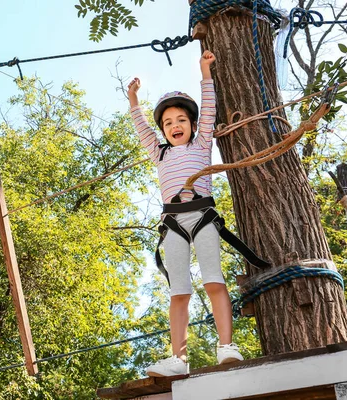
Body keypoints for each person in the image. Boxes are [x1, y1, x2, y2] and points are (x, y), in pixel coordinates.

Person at [127, 50, 244, 377]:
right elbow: (140, 128)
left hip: (203, 216)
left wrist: (204, 72)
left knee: (213, 280)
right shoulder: (159, 153)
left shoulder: (201, 143)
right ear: (162, 131)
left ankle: (226, 346)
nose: (174, 126)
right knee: (179, 290)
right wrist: (133, 99)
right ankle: (178, 358)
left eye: (181, 120)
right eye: (167, 123)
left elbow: (209, 109)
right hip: (173, 224)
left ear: (192, 125)